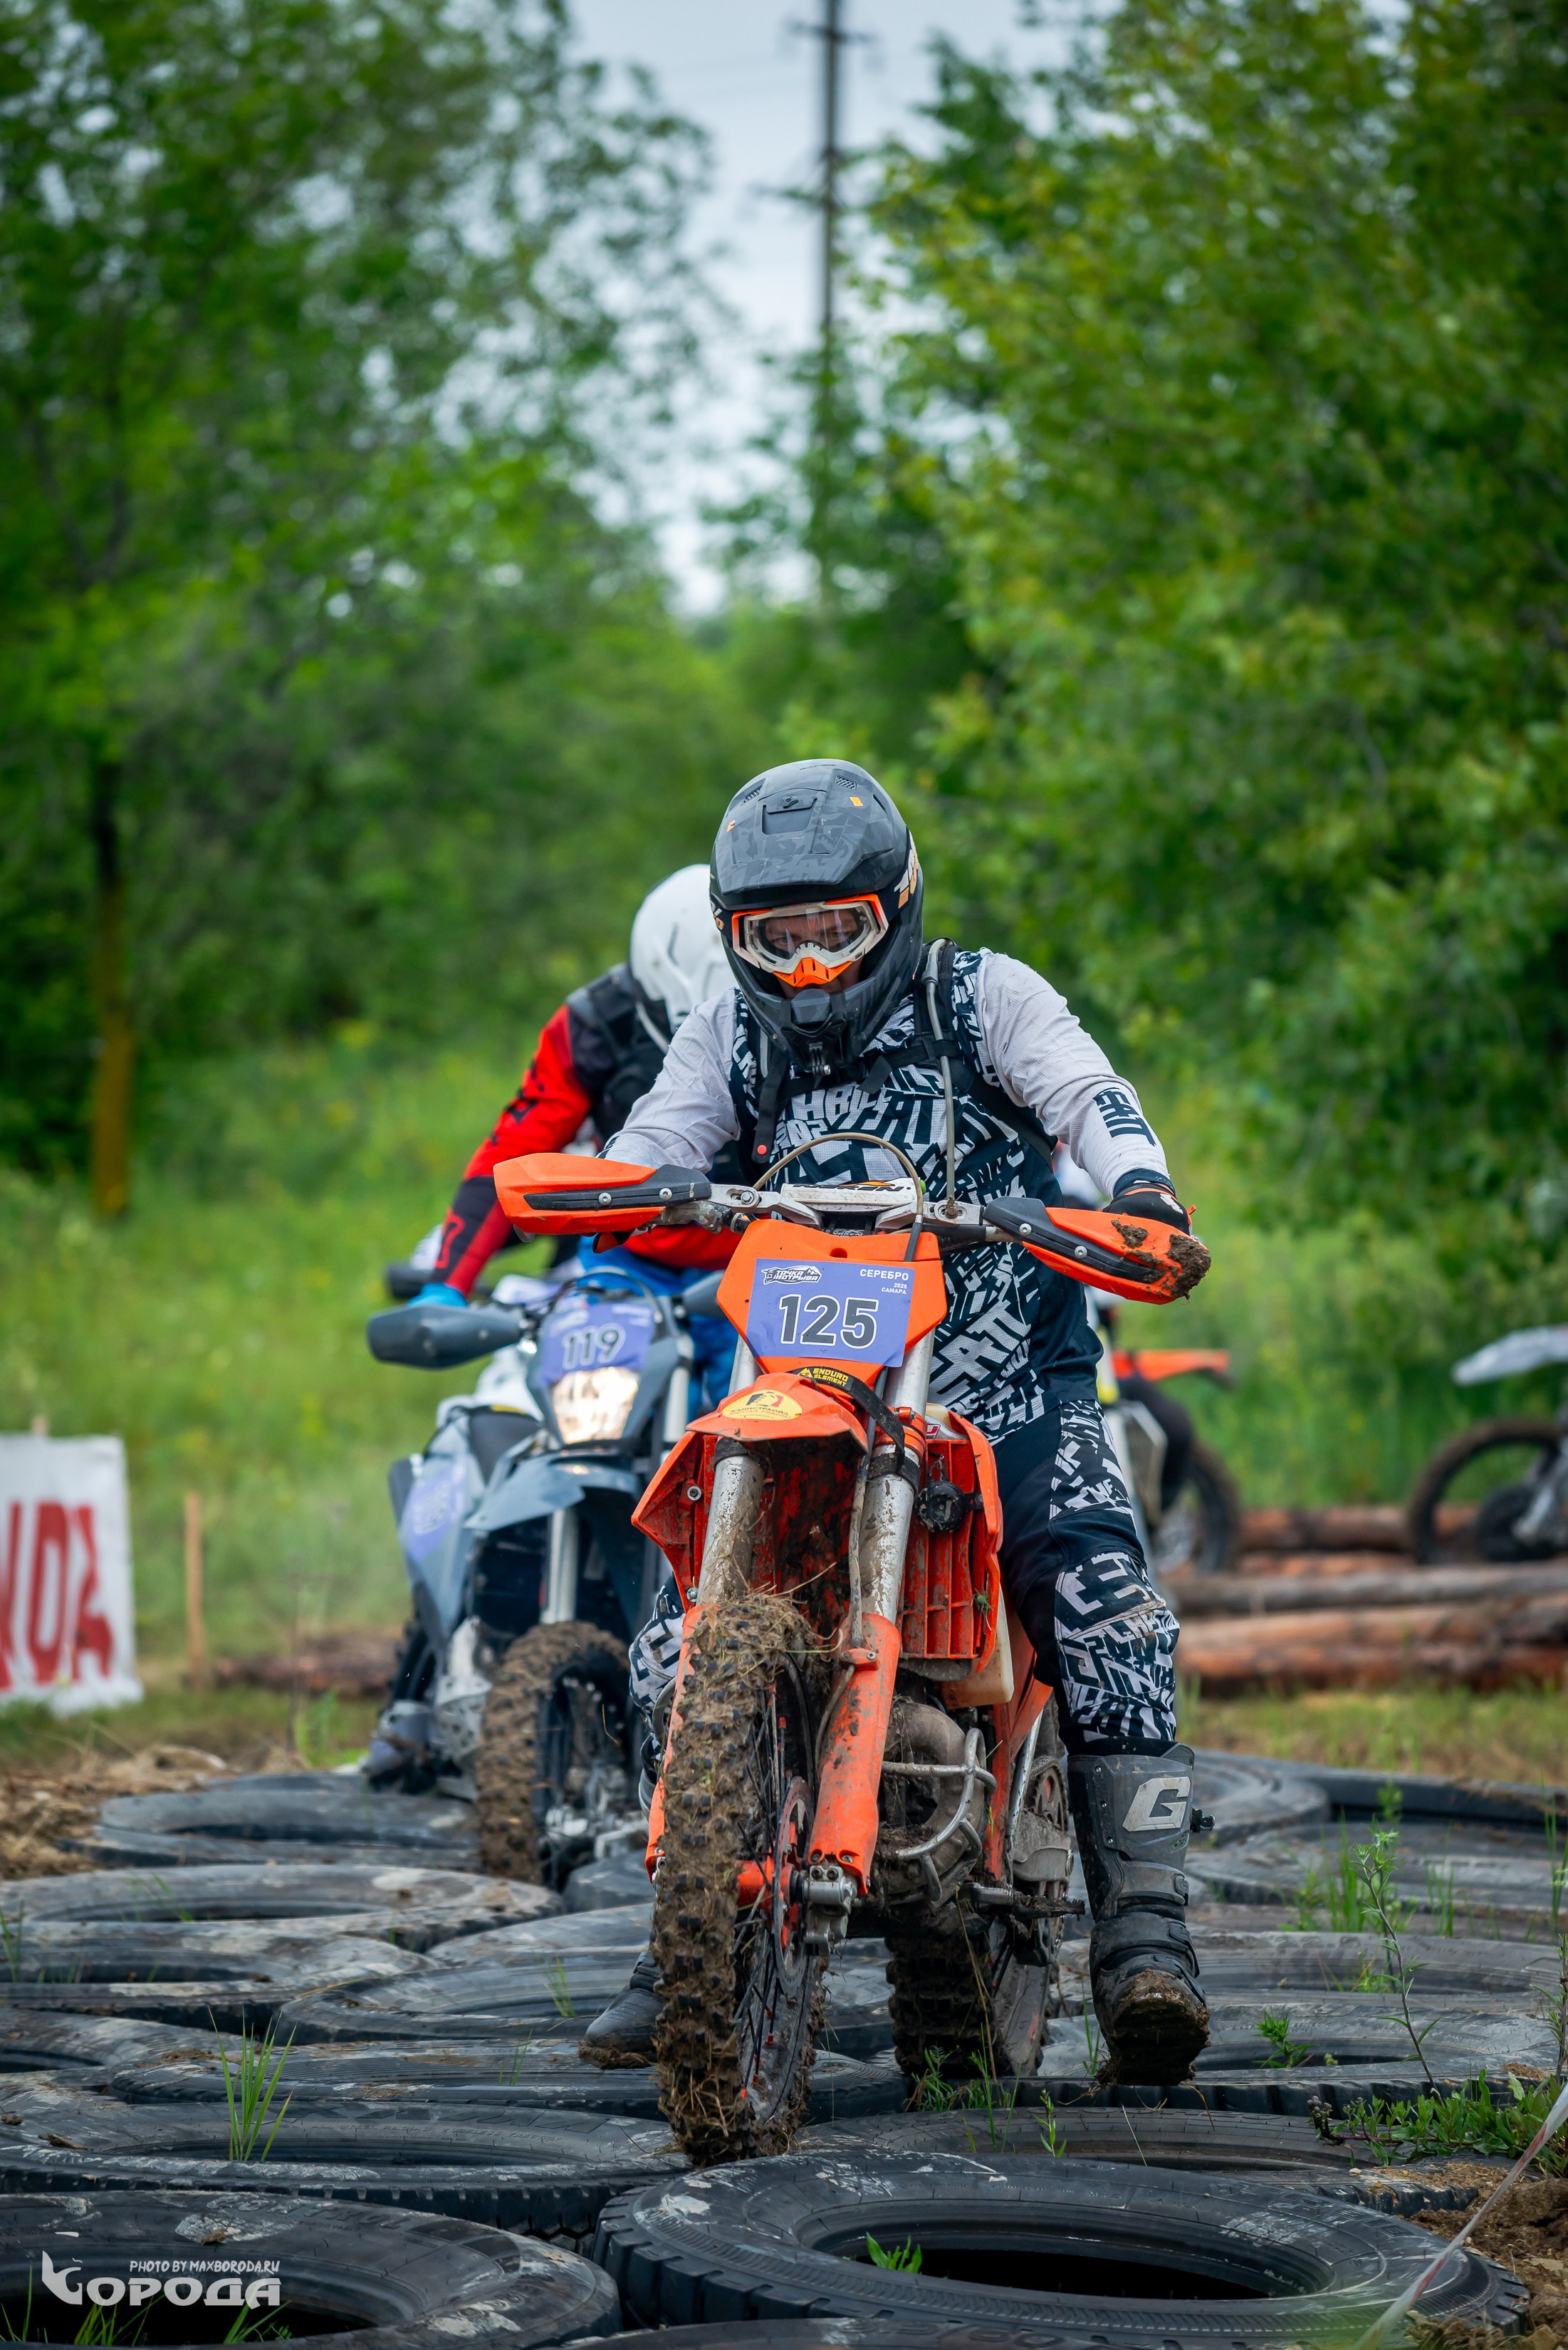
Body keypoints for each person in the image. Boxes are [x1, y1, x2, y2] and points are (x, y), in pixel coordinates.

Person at [579, 760, 1210, 2089]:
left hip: (1006, 1379)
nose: (808, 969)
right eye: (778, 941)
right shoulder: (727, 1036)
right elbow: (652, 1141)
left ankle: (1145, 1941)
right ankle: (682, 1936)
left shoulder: (983, 995)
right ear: (734, 938)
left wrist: (1137, 1187)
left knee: (1103, 1601)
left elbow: (1087, 1097)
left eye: (836, 933)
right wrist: (625, 1188)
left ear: (896, 908)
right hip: (807, 1389)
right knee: (675, 1632)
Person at [411, 865, 739, 1403]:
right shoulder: (595, 1026)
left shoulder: (802, 1015)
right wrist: (446, 1284)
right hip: (626, 1260)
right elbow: (513, 1151)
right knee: (587, 1423)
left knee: (770, 1434)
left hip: (764, 1267)